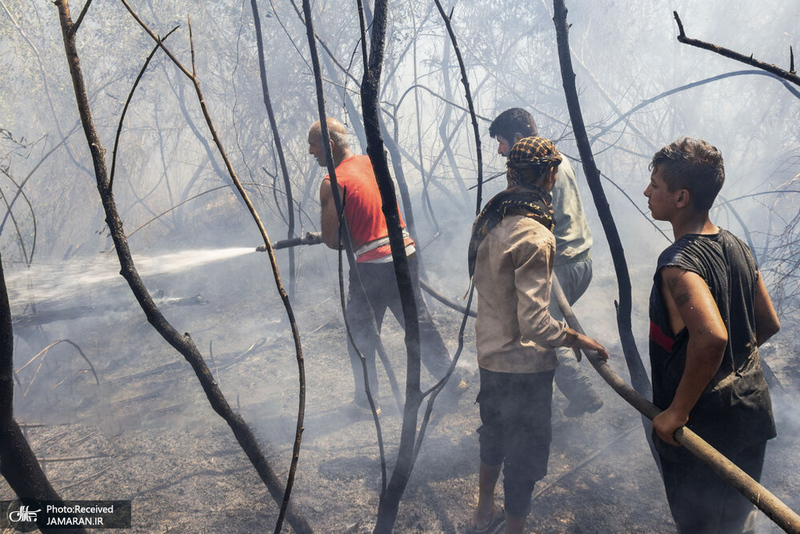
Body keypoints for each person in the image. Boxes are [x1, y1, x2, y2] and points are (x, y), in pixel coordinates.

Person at [467, 137, 609, 534]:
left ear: (511, 173)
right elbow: (535, 324)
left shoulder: (490, 218)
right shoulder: (535, 235)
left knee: (493, 434)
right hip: (524, 368)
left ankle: (482, 512)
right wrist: (579, 339)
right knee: (525, 455)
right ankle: (513, 528)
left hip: (490, 357)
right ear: (550, 176)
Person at [645, 138, 780, 533]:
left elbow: (711, 339)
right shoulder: (736, 245)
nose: (647, 192)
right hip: (751, 413)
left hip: (705, 429)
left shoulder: (678, 264)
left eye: (655, 184)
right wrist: (735, 370)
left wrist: (678, 410)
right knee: (737, 524)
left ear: (681, 197)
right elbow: (767, 324)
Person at [309, 118, 466, 413]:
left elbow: (332, 240)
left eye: (313, 145)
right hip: (404, 253)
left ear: (329, 146)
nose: (309, 151)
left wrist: (336, 230)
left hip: (372, 267)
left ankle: (366, 402)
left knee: (361, 334)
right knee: (418, 323)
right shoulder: (370, 163)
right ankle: (451, 379)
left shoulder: (332, 182)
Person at [489, 108, 602, 416]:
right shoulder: (557, 160)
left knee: (538, 328)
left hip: (560, 263)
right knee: (540, 326)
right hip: (579, 259)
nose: (500, 151)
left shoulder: (542, 170)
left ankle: (581, 393)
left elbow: (539, 225)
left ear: (517, 138)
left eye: (501, 142)